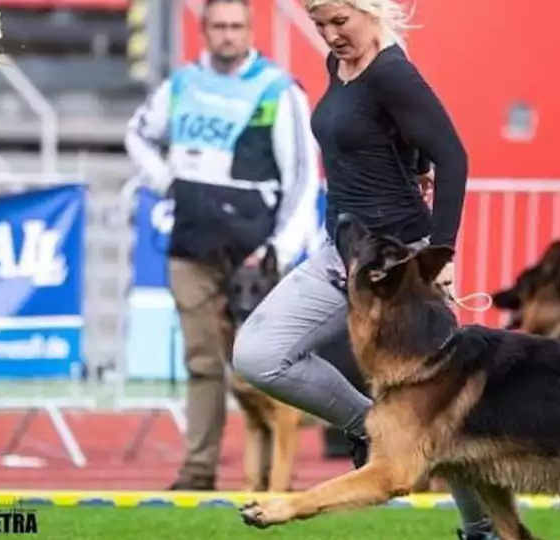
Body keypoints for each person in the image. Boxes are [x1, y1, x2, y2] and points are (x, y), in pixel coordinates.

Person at [232, 1, 504, 538]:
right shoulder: (341, 62)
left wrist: (440, 255)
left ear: (369, 11)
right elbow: (384, 142)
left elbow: (454, 157)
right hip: (344, 254)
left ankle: (483, 532)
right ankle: (369, 427)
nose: (331, 35)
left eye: (340, 22)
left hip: (400, 269)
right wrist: (412, 163)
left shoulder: (394, 72)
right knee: (257, 355)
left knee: (441, 415)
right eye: (320, 25)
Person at [124, 0, 321, 490]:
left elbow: (302, 175)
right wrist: (166, 181)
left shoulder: (279, 91)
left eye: (236, 26)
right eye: (219, 26)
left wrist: (279, 247)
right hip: (191, 245)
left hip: (253, 255)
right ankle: (198, 470)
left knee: (271, 366)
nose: (228, 35)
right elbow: (138, 135)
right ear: (203, 29)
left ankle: (279, 477)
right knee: (202, 361)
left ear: (250, 30)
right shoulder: (181, 85)